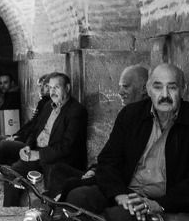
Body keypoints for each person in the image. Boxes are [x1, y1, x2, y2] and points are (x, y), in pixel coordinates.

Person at [58, 63, 189, 221]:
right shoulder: (131, 114)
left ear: (183, 89)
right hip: (124, 191)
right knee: (78, 197)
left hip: (158, 202)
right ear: (149, 89)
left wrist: (157, 204)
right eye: (158, 87)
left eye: (172, 87)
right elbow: (107, 161)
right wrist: (119, 195)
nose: (165, 95)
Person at [46, 64, 150, 195]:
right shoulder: (126, 115)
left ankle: (56, 209)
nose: (119, 92)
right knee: (58, 170)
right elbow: (110, 153)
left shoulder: (144, 118)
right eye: (120, 86)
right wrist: (94, 169)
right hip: (105, 172)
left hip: (116, 180)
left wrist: (100, 173)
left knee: (72, 189)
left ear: (144, 89)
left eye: (125, 86)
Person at [2, 73, 87, 207]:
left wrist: (39, 155)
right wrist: (28, 146)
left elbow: (67, 146)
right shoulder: (48, 106)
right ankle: (9, 214)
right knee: (11, 174)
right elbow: (35, 130)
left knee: (52, 188)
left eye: (56, 87)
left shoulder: (76, 111)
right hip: (38, 153)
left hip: (59, 159)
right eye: (50, 88)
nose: (52, 91)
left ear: (68, 88)